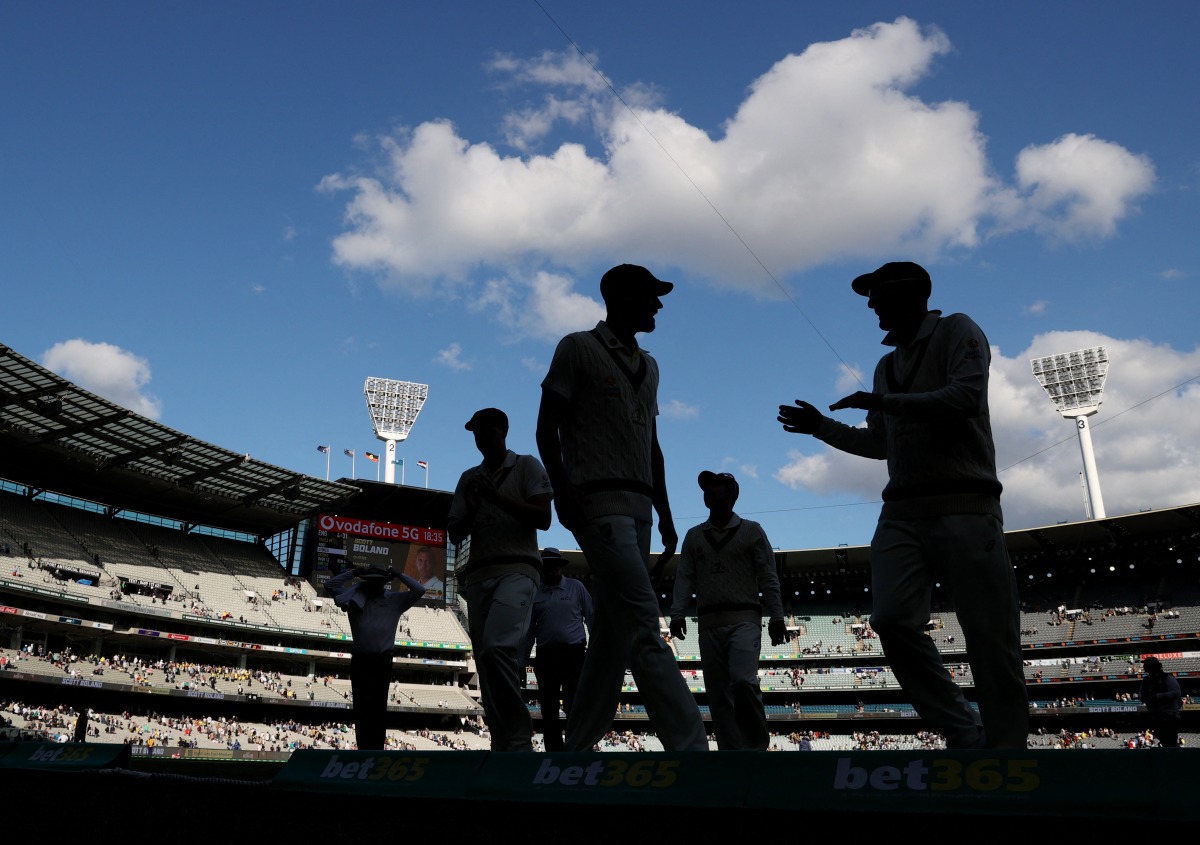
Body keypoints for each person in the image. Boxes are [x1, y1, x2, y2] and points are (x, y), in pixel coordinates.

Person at [777, 261, 1028, 749]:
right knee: (890, 620)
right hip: (901, 511)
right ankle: (962, 729)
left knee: (990, 640)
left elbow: (967, 396)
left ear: (910, 293)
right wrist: (820, 429)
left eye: (876, 294)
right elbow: (881, 444)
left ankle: (1011, 752)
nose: (870, 305)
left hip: (966, 504)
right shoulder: (885, 365)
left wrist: (886, 403)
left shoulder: (958, 329)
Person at [537, 263, 708, 752]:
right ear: (621, 298)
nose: (658, 305)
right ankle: (692, 748)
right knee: (642, 624)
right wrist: (565, 494)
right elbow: (545, 429)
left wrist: (668, 512)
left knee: (611, 640)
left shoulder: (650, 365)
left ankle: (576, 749)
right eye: (650, 296)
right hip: (598, 502)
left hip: (640, 509)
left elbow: (653, 445)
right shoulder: (577, 348)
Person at [448, 407, 553, 752]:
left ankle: (519, 741)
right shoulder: (469, 478)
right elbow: (454, 533)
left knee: (496, 648)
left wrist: (497, 499)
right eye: (475, 432)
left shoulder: (526, 465)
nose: (479, 437)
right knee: (487, 660)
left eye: (485, 430)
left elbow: (543, 518)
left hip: (518, 569)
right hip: (479, 574)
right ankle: (502, 743)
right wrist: (477, 505)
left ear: (502, 430)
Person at [669, 471, 788, 750]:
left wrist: (778, 616)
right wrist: (676, 613)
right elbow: (684, 577)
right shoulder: (694, 536)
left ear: (732, 495)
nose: (709, 493)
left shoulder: (752, 530)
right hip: (708, 621)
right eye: (706, 489)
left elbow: (768, 576)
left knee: (744, 681)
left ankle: (756, 746)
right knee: (718, 695)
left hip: (745, 617)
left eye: (716, 488)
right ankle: (730, 752)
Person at [324, 563, 425, 750]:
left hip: (380, 661)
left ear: (384, 583)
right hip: (363, 660)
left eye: (377, 582)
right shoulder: (355, 599)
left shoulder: (393, 600)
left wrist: (399, 574)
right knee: (362, 709)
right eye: (371, 582)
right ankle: (364, 748)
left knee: (378, 710)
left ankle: (376, 749)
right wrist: (354, 573)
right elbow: (329, 586)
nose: (374, 585)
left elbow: (420, 589)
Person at [520, 547, 594, 751]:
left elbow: (592, 619)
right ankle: (553, 750)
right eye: (546, 567)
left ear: (560, 567)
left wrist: (595, 655)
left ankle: (576, 747)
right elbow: (528, 633)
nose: (550, 571)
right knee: (548, 708)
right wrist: (522, 661)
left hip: (574, 654)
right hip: (546, 656)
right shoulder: (535, 593)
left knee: (574, 705)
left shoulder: (576, 587)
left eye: (553, 566)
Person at [1139, 655, 1183, 747]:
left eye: (1147, 664)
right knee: (1162, 738)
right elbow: (1142, 695)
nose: (1144, 666)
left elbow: (1176, 693)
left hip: (1169, 714)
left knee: (1170, 741)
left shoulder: (1167, 677)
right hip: (1155, 714)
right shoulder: (1146, 680)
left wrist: (1156, 696)